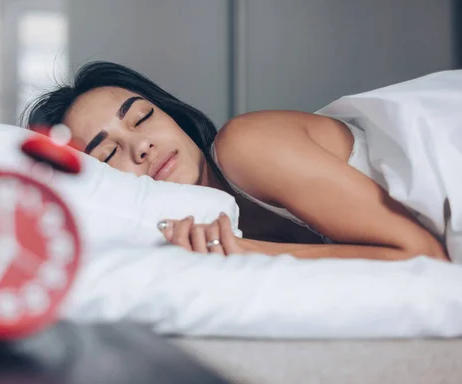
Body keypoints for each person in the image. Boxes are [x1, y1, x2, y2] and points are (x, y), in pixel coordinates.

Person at [24, 61, 449, 261]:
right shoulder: (184, 236)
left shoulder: (245, 145)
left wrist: (244, 250)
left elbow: (423, 255)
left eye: (142, 117)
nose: (142, 147)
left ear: (174, 115)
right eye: (109, 152)